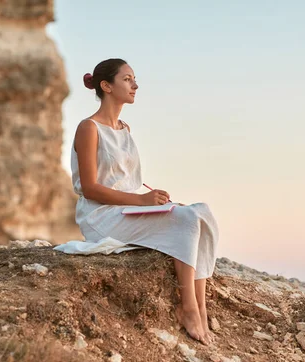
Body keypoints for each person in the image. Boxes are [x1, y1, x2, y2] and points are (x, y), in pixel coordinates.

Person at [71, 58, 219, 345]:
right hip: (101, 216)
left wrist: (154, 200)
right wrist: (141, 201)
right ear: (106, 86)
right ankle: (187, 308)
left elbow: (126, 178)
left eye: (134, 79)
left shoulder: (125, 129)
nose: (135, 85)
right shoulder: (88, 128)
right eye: (127, 79)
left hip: (129, 208)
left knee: (202, 212)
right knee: (187, 220)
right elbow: (90, 188)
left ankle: (201, 306)